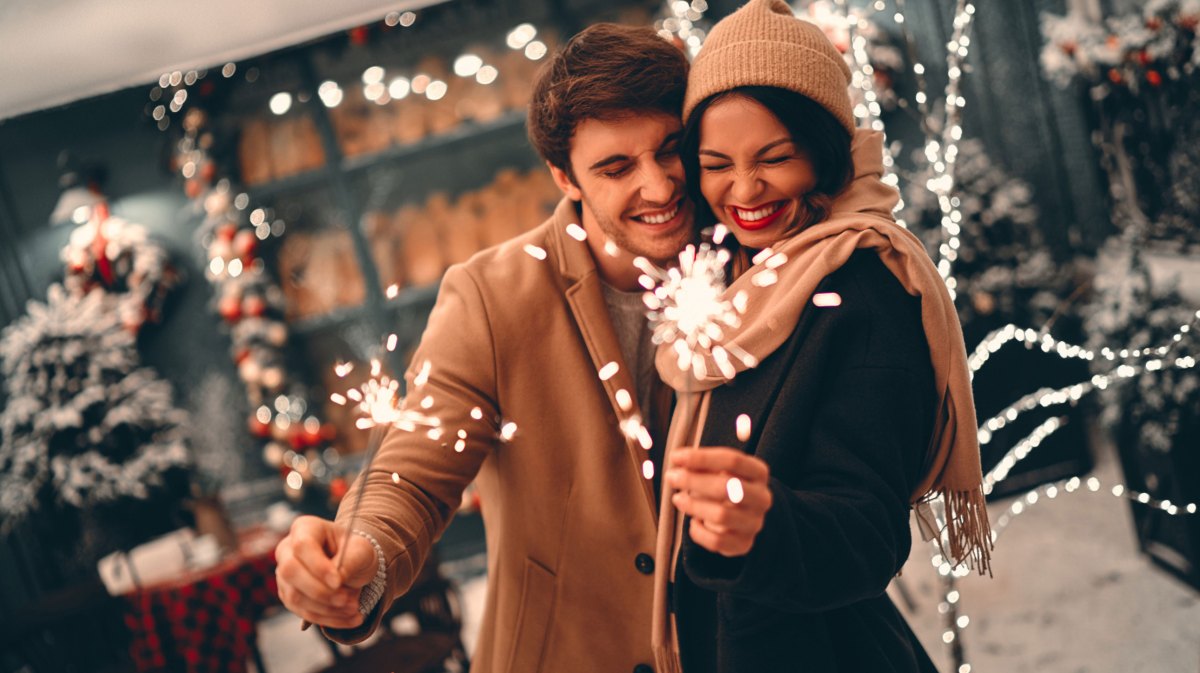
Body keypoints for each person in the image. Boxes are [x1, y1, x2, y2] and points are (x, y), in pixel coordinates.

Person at [273, 23, 694, 673]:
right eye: (616, 167)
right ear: (565, 176)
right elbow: (411, 467)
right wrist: (364, 550)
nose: (662, 186)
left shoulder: (759, 254)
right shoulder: (492, 295)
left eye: (672, 150)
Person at [648, 1, 993, 672]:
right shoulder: (737, 275)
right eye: (716, 163)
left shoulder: (862, 289)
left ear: (824, 152)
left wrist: (765, 524)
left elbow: (868, 528)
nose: (744, 188)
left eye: (774, 157)